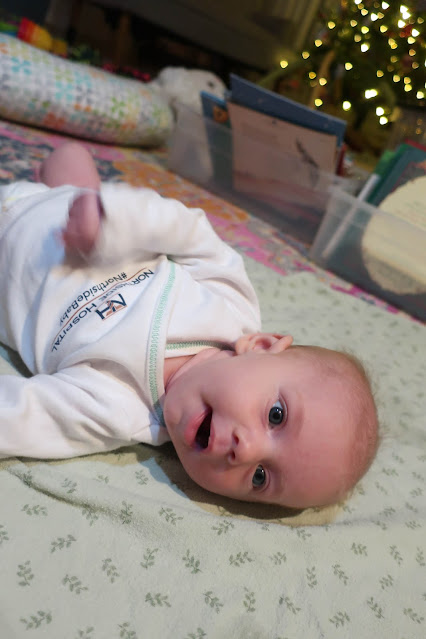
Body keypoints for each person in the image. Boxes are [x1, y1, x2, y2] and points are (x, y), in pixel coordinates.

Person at [0, 142, 378, 509]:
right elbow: (190, 232)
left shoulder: (122, 412)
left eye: (260, 477)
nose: (245, 451)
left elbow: (26, 415)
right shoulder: (231, 305)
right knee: (74, 162)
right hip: (69, 216)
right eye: (275, 416)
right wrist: (110, 222)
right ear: (261, 346)